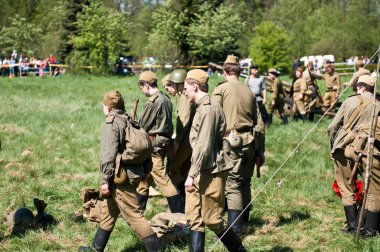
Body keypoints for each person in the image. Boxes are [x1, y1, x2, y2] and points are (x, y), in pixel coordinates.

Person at [80, 91, 160, 252]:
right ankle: (96, 248)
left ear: (108, 108)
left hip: (120, 177)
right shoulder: (128, 119)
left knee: (134, 216)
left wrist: (104, 181)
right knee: (109, 211)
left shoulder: (111, 123)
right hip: (133, 173)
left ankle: (156, 250)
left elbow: (108, 155)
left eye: (104, 106)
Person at [183, 69, 246, 252]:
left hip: (212, 170)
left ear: (195, 86)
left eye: (186, 88)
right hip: (200, 168)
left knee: (212, 219)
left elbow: (203, 145)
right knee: (194, 217)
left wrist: (191, 174)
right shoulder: (202, 107)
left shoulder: (209, 109)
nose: (184, 92)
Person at [212, 55, 265, 236]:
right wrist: (261, 150)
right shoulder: (249, 90)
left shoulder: (221, 89)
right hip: (251, 142)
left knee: (232, 185)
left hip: (231, 143)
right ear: (239, 71)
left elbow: (213, 117)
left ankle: (235, 231)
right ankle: (243, 223)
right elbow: (260, 123)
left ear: (225, 71)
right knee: (245, 182)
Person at [327, 75, 380, 234]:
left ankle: (353, 226)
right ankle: (369, 230)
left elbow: (332, 127)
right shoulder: (378, 104)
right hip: (368, 149)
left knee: (345, 186)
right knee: (373, 189)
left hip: (343, 148)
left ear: (361, 87)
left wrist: (333, 146)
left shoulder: (349, 101)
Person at [136, 71, 183, 213]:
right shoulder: (166, 99)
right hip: (161, 144)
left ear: (145, 85)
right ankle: (137, 213)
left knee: (162, 179)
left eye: (141, 86)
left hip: (153, 147)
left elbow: (143, 126)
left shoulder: (154, 101)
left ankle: (179, 214)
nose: (141, 89)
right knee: (144, 180)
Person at [163, 69, 196, 211]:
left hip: (184, 143)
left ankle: (179, 209)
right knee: (183, 172)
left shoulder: (184, 97)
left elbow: (183, 120)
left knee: (171, 172)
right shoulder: (188, 95)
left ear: (177, 84)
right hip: (190, 142)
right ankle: (187, 204)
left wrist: (176, 143)